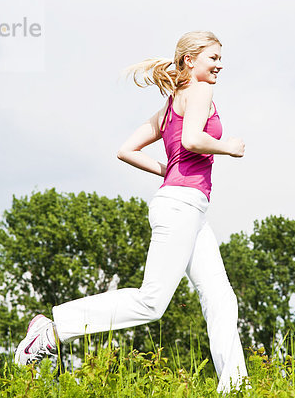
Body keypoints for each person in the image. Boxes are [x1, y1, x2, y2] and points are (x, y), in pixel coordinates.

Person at [14, 30, 248, 392]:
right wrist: (227, 147)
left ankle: (236, 387)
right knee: (151, 302)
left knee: (220, 296)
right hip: (181, 206)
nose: (220, 64)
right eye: (213, 57)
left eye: (220, 58)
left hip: (189, 207)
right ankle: (53, 329)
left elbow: (126, 150)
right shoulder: (201, 91)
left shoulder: (171, 105)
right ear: (191, 60)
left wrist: (167, 169)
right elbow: (191, 140)